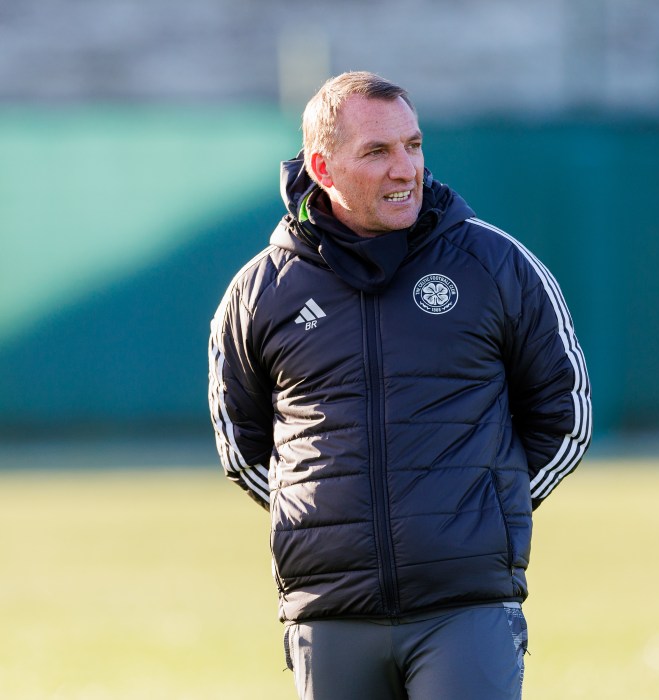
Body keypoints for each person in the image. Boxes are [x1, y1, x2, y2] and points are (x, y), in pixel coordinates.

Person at [208, 71, 592, 700]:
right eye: (378, 152)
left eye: (413, 146)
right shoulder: (260, 292)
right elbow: (244, 446)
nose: (405, 169)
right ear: (322, 167)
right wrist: (322, 518)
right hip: (330, 612)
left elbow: (564, 417)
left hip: (463, 606)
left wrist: (489, 510)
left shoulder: (495, 265)